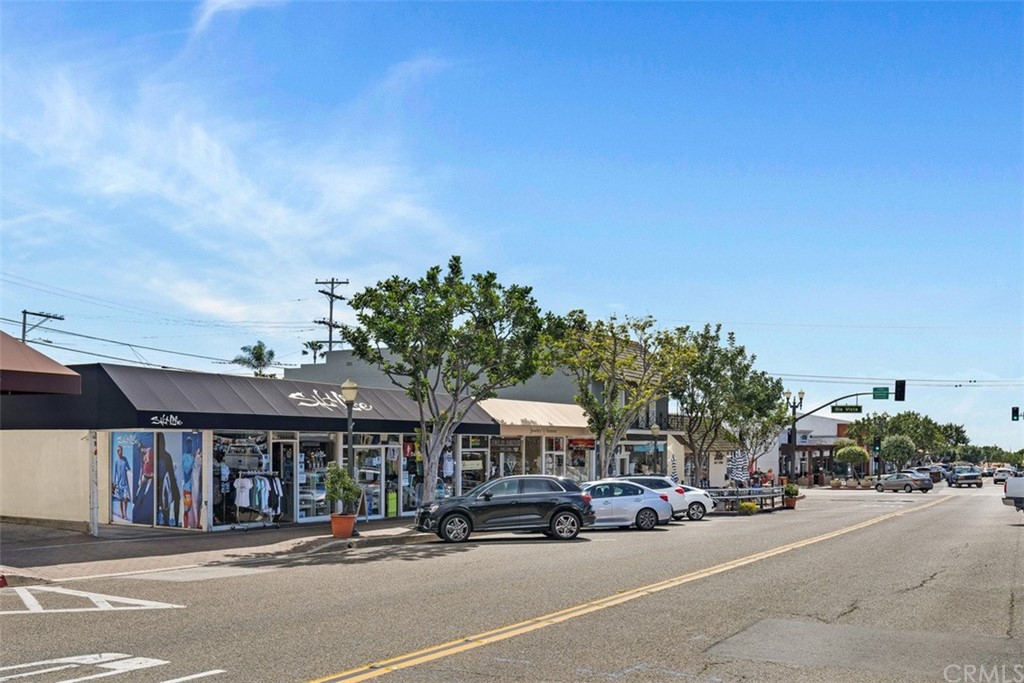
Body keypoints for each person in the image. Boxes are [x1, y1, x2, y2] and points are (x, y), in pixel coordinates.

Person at [113, 445, 131, 520]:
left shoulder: (125, 459)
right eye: (117, 450)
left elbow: (129, 468)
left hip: (125, 483)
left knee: (125, 499)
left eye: (120, 450)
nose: (119, 452)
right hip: (119, 484)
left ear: (122, 451)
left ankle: (125, 513)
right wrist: (114, 483)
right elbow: (115, 473)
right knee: (120, 499)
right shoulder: (116, 462)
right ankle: (122, 514)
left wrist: (127, 470)